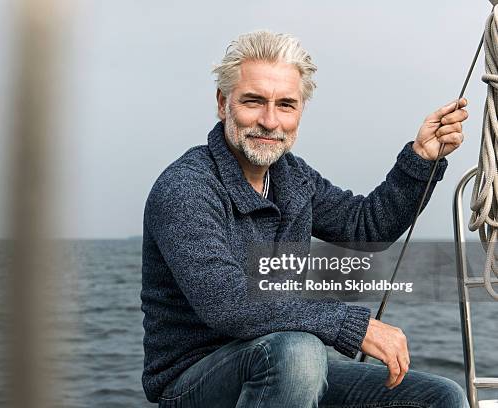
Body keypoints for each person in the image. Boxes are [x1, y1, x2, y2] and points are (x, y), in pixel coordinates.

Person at [140, 30, 470, 407]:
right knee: (299, 351)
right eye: (253, 101)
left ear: (300, 112)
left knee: (440, 397)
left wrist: (421, 159)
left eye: (285, 105)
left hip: (285, 367)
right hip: (193, 384)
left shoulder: (293, 177)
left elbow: (366, 227)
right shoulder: (186, 187)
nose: (269, 121)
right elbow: (228, 303)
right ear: (222, 103)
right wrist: (350, 325)